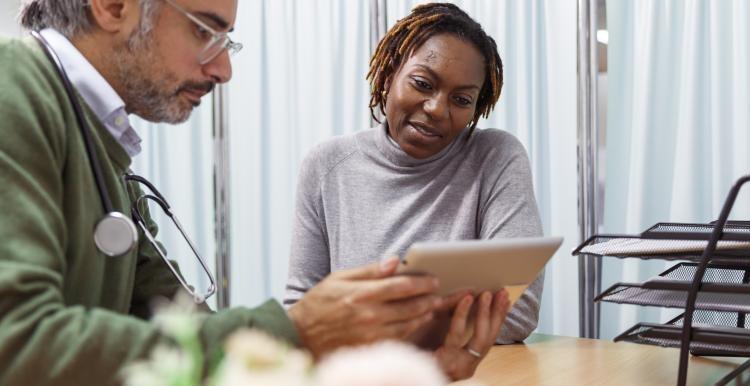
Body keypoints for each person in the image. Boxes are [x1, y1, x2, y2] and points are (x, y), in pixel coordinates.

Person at [0, 1, 482, 385]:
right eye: (205, 32)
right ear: (112, 6)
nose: (223, 69)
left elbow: (183, 333)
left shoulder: (101, 146)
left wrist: (390, 368)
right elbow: (17, 345)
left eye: (226, 41)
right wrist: (299, 331)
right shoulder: (13, 90)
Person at [284, 3, 544, 379]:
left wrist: (361, 325)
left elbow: (516, 312)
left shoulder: (496, 157)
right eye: (423, 83)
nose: (437, 109)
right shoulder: (326, 166)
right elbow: (301, 315)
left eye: (462, 99)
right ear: (389, 74)